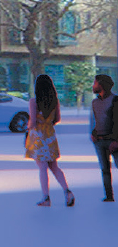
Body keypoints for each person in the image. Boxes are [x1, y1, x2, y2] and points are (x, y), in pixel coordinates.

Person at [27, 72, 74, 207]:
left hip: (38, 137)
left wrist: (28, 128)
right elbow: (57, 119)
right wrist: (48, 124)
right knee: (54, 166)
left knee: (42, 167)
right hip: (50, 136)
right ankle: (67, 191)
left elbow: (32, 122)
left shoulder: (34, 102)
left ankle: (46, 198)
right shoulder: (55, 102)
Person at [91, 73, 116, 201]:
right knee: (105, 169)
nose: (93, 85)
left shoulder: (115, 100)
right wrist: (93, 133)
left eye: (95, 83)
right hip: (99, 141)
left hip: (113, 141)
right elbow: (96, 121)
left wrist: (116, 140)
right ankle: (109, 196)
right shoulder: (94, 102)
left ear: (101, 85)